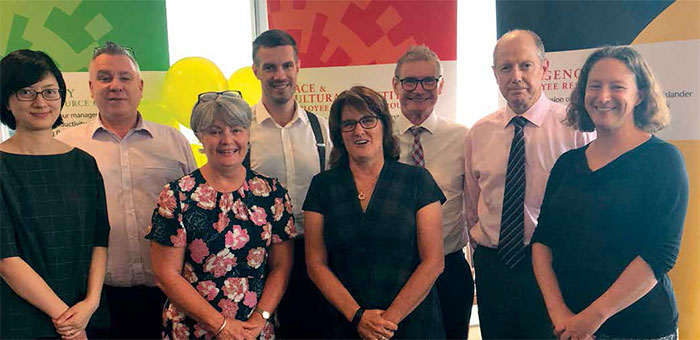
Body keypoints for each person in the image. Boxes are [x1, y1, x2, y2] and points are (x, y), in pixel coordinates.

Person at [531, 46, 688, 340]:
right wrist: (560, 315)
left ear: (639, 95)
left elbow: (660, 254)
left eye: (617, 86)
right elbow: (543, 241)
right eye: (595, 86)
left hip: (640, 329)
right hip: (568, 325)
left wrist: (591, 318)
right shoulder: (567, 163)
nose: (603, 97)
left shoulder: (663, 160)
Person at [57, 41, 197, 339]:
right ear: (91, 87)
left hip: (169, 292)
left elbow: (196, 212)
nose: (115, 86)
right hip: (97, 296)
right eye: (105, 78)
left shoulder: (174, 142)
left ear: (141, 86)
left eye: (125, 77)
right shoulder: (67, 145)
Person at [464, 29, 595, 339]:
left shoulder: (575, 129)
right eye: (506, 67)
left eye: (526, 65)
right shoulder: (479, 133)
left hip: (555, 265)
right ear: (495, 74)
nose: (516, 76)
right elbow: (472, 206)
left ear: (544, 68)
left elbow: (589, 208)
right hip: (494, 266)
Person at [147, 91, 296, 340]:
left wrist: (261, 317)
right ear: (199, 136)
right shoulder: (177, 195)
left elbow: (281, 265)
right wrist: (221, 325)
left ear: (248, 134)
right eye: (215, 131)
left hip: (254, 331)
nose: (227, 139)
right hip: (194, 330)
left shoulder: (272, 193)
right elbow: (166, 274)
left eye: (236, 129)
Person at [304, 86, 446, 339]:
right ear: (339, 134)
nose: (359, 130)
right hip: (344, 322)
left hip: (410, 323)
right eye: (348, 124)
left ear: (384, 125)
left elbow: (433, 262)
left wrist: (385, 323)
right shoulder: (322, 186)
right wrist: (358, 317)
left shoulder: (417, 181)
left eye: (368, 120)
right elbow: (316, 264)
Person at [0, 50, 109, 339]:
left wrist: (91, 303)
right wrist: (68, 322)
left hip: (85, 313)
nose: (41, 102)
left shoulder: (84, 163)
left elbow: (100, 239)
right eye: (26, 92)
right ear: (7, 101)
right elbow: (5, 259)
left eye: (50, 91)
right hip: (22, 321)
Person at [249, 29, 332, 338]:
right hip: (261, 259)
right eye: (269, 67)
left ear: (298, 66)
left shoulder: (321, 129)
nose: (279, 75)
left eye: (286, 65)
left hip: (317, 254)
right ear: (256, 70)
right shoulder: (242, 132)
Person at [392, 45, 474, 339]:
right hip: (395, 271)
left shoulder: (464, 138)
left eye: (429, 81)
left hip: (448, 271)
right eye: (409, 81)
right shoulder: (378, 138)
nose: (419, 89)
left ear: (441, 84)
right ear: (395, 85)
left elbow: (475, 207)